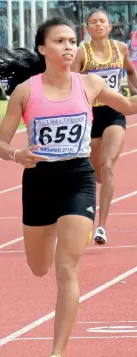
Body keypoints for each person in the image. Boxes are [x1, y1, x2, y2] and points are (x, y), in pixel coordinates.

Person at [0, 16, 137, 357]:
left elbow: (126, 107)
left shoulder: (88, 83)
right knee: (39, 267)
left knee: (67, 270)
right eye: (60, 41)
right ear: (42, 48)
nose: (69, 46)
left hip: (78, 179)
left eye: (72, 40)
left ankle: (56, 354)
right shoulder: (25, 92)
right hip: (39, 182)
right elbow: (1, 140)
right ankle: (57, 231)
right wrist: (16, 156)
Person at [71, 8, 137, 244]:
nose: (98, 25)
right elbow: (70, 83)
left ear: (110, 27)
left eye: (102, 21)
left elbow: (130, 70)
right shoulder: (81, 53)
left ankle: (101, 226)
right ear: (87, 29)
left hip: (114, 111)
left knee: (108, 166)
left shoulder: (120, 49)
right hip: (90, 115)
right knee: (96, 173)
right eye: (93, 22)